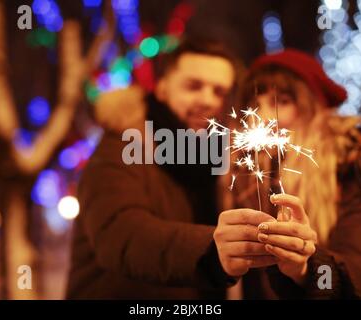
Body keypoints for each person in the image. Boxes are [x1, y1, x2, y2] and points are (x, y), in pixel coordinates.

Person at [66, 37, 278, 299]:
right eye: (193, 86)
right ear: (163, 88)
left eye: (219, 91)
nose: (208, 100)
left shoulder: (212, 160)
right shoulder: (122, 146)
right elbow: (122, 236)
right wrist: (213, 248)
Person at [214, 48, 361, 299]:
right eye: (255, 105)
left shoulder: (350, 169)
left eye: (282, 102)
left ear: (312, 109)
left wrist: (308, 269)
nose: (265, 117)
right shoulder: (240, 173)